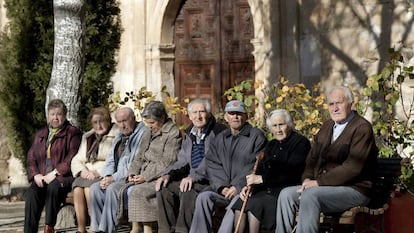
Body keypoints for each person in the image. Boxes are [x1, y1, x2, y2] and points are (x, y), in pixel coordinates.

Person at [275, 86, 378, 233]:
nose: (334, 108)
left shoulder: (361, 128)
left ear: (351, 104)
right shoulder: (327, 126)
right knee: (286, 195)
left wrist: (318, 183)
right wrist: (307, 179)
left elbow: (353, 167)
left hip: (355, 189)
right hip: (325, 188)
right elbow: (312, 158)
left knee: (311, 195)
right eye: (331, 104)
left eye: (339, 103)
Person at [225, 109, 311, 233]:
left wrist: (262, 179)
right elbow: (261, 169)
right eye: (274, 126)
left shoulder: (300, 143)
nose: (278, 129)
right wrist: (250, 187)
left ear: (289, 125)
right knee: (241, 202)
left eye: (281, 125)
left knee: (256, 205)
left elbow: (293, 171)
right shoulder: (272, 145)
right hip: (265, 190)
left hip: (283, 192)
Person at [189, 100, 267, 233]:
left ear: (246, 116)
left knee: (237, 201)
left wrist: (237, 186)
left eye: (239, 114)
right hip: (222, 189)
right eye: (232, 113)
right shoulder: (220, 138)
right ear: (226, 117)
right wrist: (221, 186)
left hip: (243, 190)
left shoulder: (256, 136)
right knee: (204, 197)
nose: (235, 117)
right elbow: (212, 163)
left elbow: (255, 165)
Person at [156, 98, 227, 233]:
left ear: (209, 113)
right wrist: (168, 175)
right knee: (164, 188)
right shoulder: (190, 133)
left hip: (213, 181)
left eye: (202, 112)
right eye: (194, 112)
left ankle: (182, 231)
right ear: (189, 115)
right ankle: (166, 230)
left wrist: (193, 177)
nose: (198, 116)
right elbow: (182, 161)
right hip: (193, 178)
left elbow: (212, 161)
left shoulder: (219, 132)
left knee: (188, 191)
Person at [122, 101, 182, 233]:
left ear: (162, 118)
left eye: (152, 122)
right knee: (127, 189)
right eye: (148, 122)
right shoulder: (148, 132)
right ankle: (136, 227)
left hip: (160, 176)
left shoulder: (173, 133)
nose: (149, 126)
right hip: (143, 174)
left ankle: (148, 229)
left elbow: (168, 162)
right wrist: (132, 172)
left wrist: (145, 176)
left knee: (139, 191)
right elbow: (139, 156)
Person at [24, 99, 82, 233]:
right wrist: (36, 175)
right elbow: (31, 156)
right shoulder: (41, 133)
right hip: (42, 177)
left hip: (63, 177)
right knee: (32, 193)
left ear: (65, 115)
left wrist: (55, 173)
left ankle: (48, 227)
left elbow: (72, 157)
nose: (55, 117)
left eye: (59, 114)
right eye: (52, 114)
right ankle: (29, 230)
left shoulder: (73, 133)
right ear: (48, 115)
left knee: (53, 187)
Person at [89, 107, 146, 233]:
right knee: (95, 188)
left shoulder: (143, 134)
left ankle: (106, 229)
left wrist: (113, 178)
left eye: (125, 121)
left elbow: (133, 164)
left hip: (131, 177)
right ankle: (96, 228)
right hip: (116, 176)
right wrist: (106, 176)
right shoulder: (120, 135)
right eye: (119, 122)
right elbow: (110, 159)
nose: (122, 125)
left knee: (113, 188)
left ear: (134, 119)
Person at [71, 107, 119, 233]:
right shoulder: (88, 136)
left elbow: (115, 160)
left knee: (89, 188)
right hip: (87, 173)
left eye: (101, 121)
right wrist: (82, 171)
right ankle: (81, 229)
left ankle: (94, 226)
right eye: (95, 123)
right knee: (77, 189)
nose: (98, 125)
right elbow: (77, 159)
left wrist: (98, 172)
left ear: (108, 121)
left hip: (103, 173)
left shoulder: (116, 135)